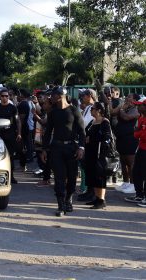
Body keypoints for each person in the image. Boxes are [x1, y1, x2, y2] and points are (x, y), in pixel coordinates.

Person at [41, 86, 85, 217]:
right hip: (57, 148)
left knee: (72, 178)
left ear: (60, 96)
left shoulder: (74, 110)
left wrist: (81, 148)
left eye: (52, 95)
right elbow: (48, 132)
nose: (50, 98)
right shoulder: (53, 112)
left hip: (71, 148)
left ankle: (68, 199)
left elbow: (82, 132)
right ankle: (60, 204)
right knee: (59, 178)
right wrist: (44, 149)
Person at [84, 102, 112, 209]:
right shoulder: (93, 121)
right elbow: (87, 133)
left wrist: (92, 139)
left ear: (99, 110)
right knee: (92, 175)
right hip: (91, 152)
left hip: (100, 153)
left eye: (93, 108)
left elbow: (106, 138)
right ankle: (96, 198)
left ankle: (101, 200)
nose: (91, 110)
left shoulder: (105, 122)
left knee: (100, 176)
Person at [0, 89, 22, 184]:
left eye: (6, 96)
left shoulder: (13, 108)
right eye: (3, 96)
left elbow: (17, 121)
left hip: (11, 135)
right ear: (0, 97)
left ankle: (11, 176)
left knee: (10, 156)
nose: (5, 98)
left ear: (9, 97)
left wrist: (19, 133)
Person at [114, 93, 140, 194]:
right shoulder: (125, 108)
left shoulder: (137, 110)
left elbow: (127, 118)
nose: (127, 98)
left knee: (130, 162)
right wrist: (121, 107)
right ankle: (126, 182)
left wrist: (121, 110)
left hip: (130, 139)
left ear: (135, 100)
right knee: (123, 161)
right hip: (121, 139)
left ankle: (133, 185)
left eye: (129, 97)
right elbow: (113, 113)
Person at [125, 96, 146, 206]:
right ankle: (139, 195)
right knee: (136, 172)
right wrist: (138, 133)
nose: (137, 107)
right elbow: (136, 133)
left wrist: (138, 133)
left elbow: (141, 135)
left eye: (139, 105)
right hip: (141, 148)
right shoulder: (141, 118)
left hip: (144, 149)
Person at [77, 89, 97, 202]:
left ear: (90, 95)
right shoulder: (88, 107)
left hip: (91, 140)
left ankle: (93, 193)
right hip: (86, 139)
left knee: (91, 167)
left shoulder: (94, 107)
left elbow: (84, 123)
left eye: (83, 95)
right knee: (86, 167)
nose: (81, 97)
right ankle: (89, 191)